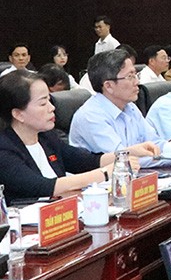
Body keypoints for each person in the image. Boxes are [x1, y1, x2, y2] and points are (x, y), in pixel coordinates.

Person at [0, 72, 155, 203]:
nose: (52, 108)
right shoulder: (4, 148)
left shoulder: (46, 138)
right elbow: (42, 187)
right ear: (18, 114)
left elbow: (86, 161)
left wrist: (127, 153)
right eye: (42, 104)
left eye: (49, 100)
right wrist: (104, 173)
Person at [68, 49, 163, 160]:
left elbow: (155, 143)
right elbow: (122, 159)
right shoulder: (90, 116)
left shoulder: (130, 106)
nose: (137, 82)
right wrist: (170, 156)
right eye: (130, 76)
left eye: (135, 74)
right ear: (108, 86)